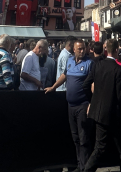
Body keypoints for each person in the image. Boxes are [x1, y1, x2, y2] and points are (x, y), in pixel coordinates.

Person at [83, 38, 121, 172]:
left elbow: (85, 85)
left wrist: (93, 100)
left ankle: (87, 170)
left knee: (99, 147)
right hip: (114, 114)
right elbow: (120, 96)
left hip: (98, 112)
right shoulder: (118, 69)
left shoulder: (97, 65)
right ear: (116, 50)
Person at [46, 39, 95, 172]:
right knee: (75, 137)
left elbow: (93, 84)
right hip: (70, 105)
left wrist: (92, 102)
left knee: (84, 137)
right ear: (74, 49)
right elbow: (64, 76)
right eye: (79, 48)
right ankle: (79, 164)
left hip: (83, 105)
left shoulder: (89, 63)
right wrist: (53, 87)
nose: (82, 50)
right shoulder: (70, 61)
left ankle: (85, 167)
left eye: (83, 48)